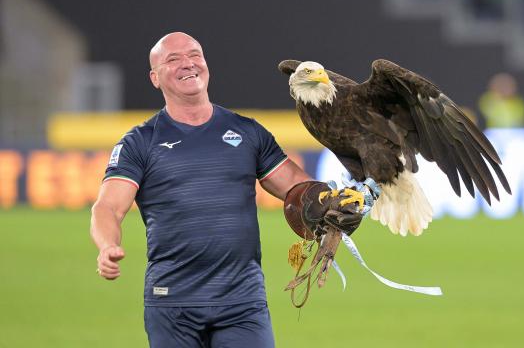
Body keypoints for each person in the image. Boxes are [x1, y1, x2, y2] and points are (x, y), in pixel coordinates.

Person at [90, 32, 359, 347]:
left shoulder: (247, 132)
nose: (187, 63)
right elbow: (108, 207)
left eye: (194, 55)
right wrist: (108, 245)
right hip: (172, 305)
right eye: (173, 59)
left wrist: (336, 201)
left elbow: (297, 186)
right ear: (155, 78)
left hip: (243, 303)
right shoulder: (139, 142)